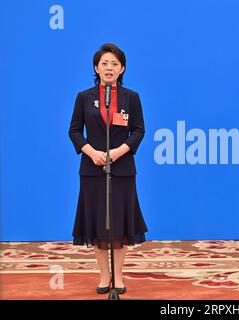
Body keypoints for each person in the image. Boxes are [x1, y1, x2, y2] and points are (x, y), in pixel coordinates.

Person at [68, 43, 148, 295]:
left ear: (122, 68)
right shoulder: (84, 97)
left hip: (122, 169)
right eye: (104, 63)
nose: (109, 68)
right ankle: (104, 277)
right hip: (92, 170)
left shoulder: (131, 97)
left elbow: (139, 131)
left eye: (114, 64)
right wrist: (91, 151)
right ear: (96, 68)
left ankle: (120, 276)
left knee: (120, 224)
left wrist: (118, 152)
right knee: (98, 225)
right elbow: (74, 131)